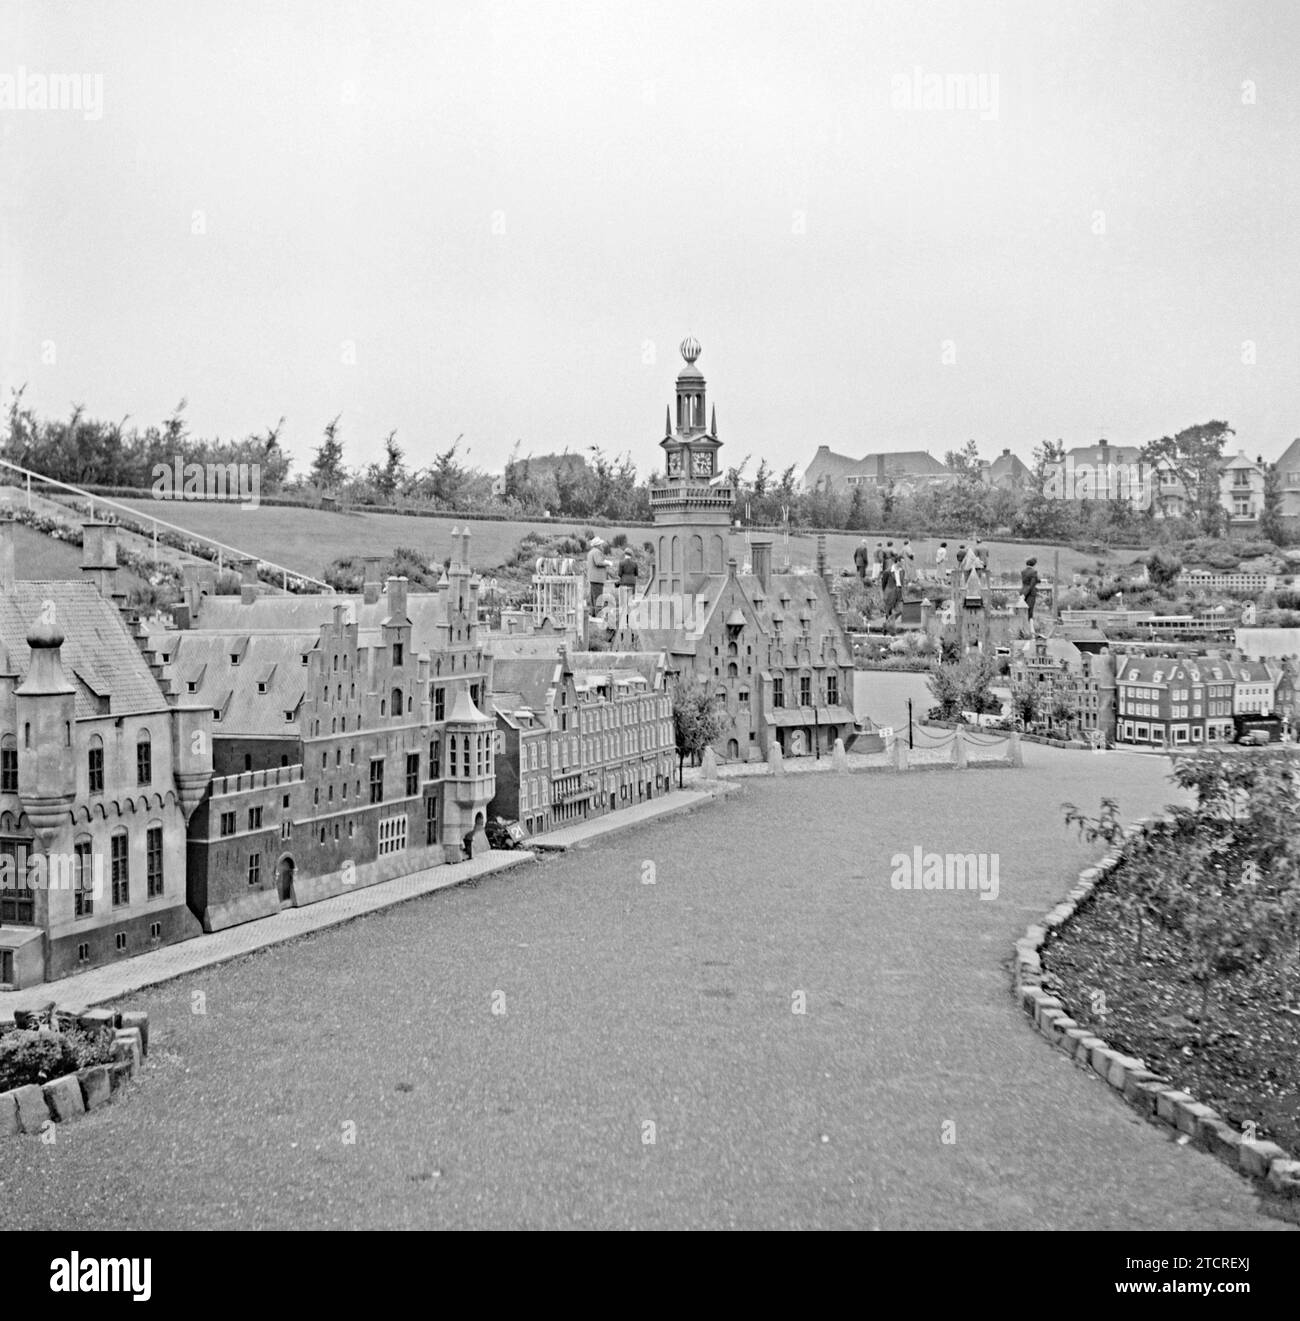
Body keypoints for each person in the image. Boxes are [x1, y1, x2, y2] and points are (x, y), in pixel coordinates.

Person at [586, 536, 609, 611]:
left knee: (593, 597)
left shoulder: (591, 552)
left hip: (592, 577)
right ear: (598, 545)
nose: (601, 546)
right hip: (597, 578)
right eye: (600, 544)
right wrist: (607, 563)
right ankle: (598, 614)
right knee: (598, 597)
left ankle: (593, 613)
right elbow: (598, 562)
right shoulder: (597, 552)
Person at [1021, 557, 1039, 622]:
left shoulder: (1023, 571)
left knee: (1023, 610)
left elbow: (1026, 581)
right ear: (1034, 564)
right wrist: (1038, 580)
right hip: (1030, 593)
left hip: (1023, 591)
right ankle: (1030, 627)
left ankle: (1023, 624)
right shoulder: (1034, 572)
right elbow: (1032, 584)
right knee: (1030, 610)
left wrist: (1024, 594)